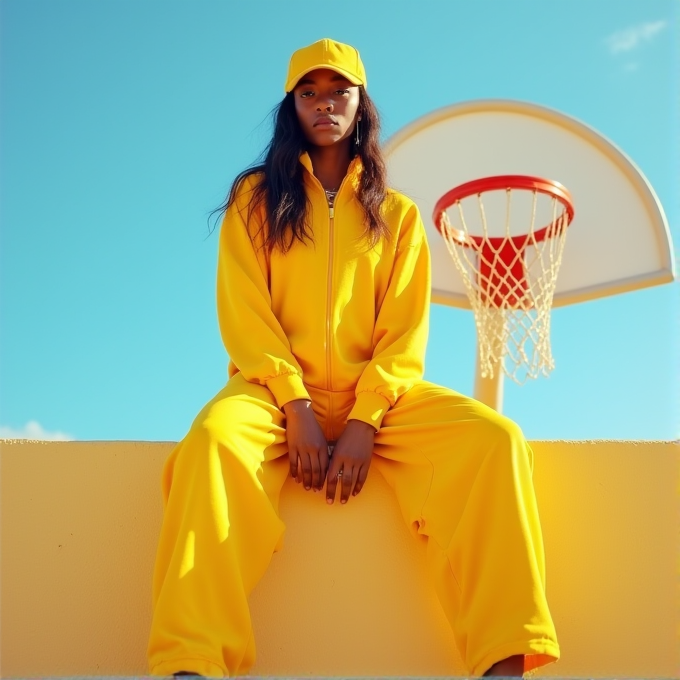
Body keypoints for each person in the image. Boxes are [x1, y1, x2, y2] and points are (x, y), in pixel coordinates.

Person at [147, 38, 560, 678]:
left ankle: (502, 660)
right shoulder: (256, 201)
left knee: (496, 441)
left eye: (338, 91)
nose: (324, 104)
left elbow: (404, 332)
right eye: (308, 93)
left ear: (361, 103)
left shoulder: (397, 215)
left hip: (383, 401)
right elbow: (245, 313)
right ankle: (192, 663)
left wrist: (365, 420)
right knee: (208, 445)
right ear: (292, 108)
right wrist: (296, 404)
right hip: (273, 395)